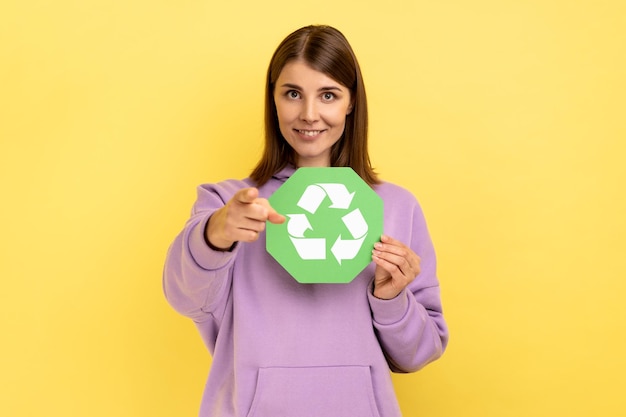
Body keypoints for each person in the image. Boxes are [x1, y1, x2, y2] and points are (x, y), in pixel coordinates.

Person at [163, 24, 448, 417]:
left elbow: (420, 352)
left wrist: (391, 299)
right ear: (274, 99)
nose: (309, 114)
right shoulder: (229, 203)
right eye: (293, 94)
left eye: (328, 95)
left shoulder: (397, 207)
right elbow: (184, 297)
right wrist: (216, 233)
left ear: (350, 102)